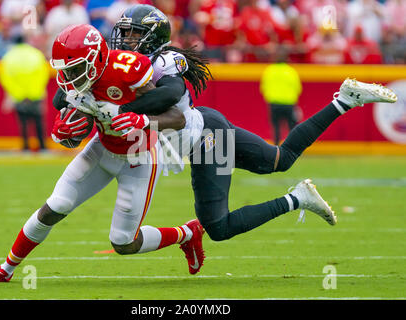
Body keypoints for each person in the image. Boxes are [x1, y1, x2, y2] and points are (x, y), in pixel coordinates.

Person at [86, 4, 397, 273]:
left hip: (205, 138)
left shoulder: (164, 61)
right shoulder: (122, 64)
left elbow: (169, 93)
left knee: (218, 227)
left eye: (133, 34)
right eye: (124, 33)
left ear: (153, 37)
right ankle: (344, 101)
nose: (125, 40)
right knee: (279, 160)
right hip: (205, 128)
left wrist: (119, 109)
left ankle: (297, 198)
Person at [0, 24, 205, 283]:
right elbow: (76, 127)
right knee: (55, 206)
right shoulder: (76, 82)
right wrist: (66, 133)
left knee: (124, 243)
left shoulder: (127, 69)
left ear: (96, 59)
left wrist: (143, 120)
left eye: (76, 68)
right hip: (102, 149)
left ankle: (187, 233)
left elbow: (177, 118)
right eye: (66, 70)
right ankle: (5, 270)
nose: (69, 77)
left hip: (140, 156)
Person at [0, 35, 49, 152]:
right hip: (35, 94)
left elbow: (5, 77)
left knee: (23, 123)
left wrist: (17, 92)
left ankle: (25, 147)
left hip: (19, 95)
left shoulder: (9, 57)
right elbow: (43, 74)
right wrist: (35, 90)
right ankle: (43, 147)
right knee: (38, 123)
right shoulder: (36, 54)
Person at [260, 46, 302, 145]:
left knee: (276, 128)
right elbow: (298, 88)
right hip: (289, 103)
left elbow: (263, 87)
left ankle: (276, 148)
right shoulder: (291, 71)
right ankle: (293, 147)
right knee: (292, 128)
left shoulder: (269, 70)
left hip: (274, 103)